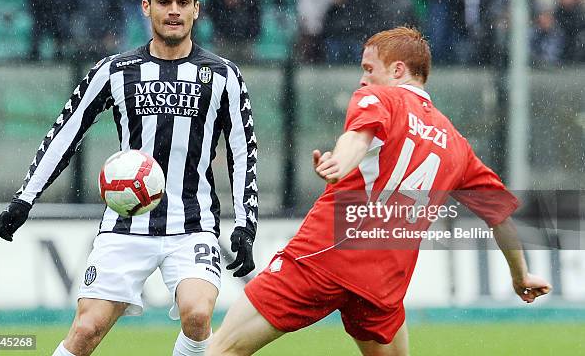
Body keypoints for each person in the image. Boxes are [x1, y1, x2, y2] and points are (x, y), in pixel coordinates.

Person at [207, 27, 552, 356]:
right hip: (382, 285)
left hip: (325, 257)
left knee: (222, 347)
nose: (363, 78)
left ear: (398, 70)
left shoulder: (380, 98)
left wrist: (339, 163)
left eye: (369, 68)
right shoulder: (456, 145)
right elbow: (500, 217)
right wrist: (520, 275)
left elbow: (357, 138)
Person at [0, 0, 258, 356]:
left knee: (198, 315)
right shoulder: (114, 70)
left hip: (193, 225)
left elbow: (242, 150)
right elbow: (66, 133)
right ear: (145, 7)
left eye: (183, 3)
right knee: (86, 329)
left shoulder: (223, 75)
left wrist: (245, 224)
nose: (173, 10)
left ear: (197, 10)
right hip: (124, 224)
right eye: (164, 2)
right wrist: (25, 198)